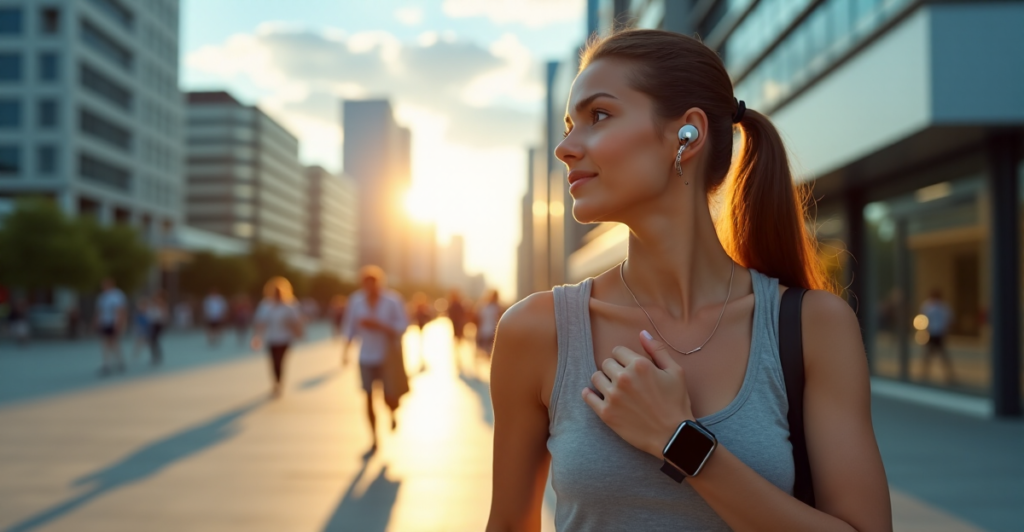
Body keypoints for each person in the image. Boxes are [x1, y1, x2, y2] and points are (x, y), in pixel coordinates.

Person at [487, 30, 891, 531]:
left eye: (599, 116)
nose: (565, 148)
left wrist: (680, 441)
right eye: (570, 124)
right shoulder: (537, 330)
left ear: (687, 134)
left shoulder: (813, 326)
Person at [341, 265, 408, 452]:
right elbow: (349, 327)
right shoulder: (356, 301)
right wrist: (345, 351)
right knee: (368, 396)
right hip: (366, 356)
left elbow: (402, 325)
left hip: (387, 356)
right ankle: (374, 437)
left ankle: (392, 413)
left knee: (390, 394)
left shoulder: (393, 300)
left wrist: (380, 325)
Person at [251, 277, 304, 398]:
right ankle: (276, 383)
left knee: (280, 361)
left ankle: (279, 382)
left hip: (285, 339)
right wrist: (256, 337)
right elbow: (260, 322)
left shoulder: (291, 305)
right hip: (271, 338)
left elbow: (297, 321)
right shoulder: (266, 305)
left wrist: (297, 331)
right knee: (274, 362)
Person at [919, 289, 955, 384]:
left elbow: (949, 319)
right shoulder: (928, 305)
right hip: (932, 332)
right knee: (928, 355)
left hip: (938, 333)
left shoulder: (942, 306)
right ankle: (924, 374)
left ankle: (948, 375)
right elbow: (923, 318)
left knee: (942, 355)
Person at [95, 278, 127, 376]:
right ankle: (106, 363)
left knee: (113, 343)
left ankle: (119, 361)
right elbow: (99, 311)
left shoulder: (117, 295)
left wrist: (119, 324)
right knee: (105, 343)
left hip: (113, 322)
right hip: (105, 322)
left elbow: (120, 311)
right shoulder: (102, 297)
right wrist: (96, 322)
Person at [411, 292, 434, 372]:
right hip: (420, 325)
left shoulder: (423, 308)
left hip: (421, 325)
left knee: (421, 340)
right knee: (421, 340)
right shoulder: (419, 308)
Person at [475, 290, 502, 359]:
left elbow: (479, 320)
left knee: (488, 354)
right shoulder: (497, 308)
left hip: (487, 332)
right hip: (491, 332)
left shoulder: (485, 307)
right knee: (490, 355)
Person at [146, 291, 168, 366]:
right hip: (152, 324)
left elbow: (164, 315)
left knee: (154, 340)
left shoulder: (162, 305)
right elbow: (149, 314)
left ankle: (157, 356)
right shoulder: (152, 305)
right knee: (152, 341)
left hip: (159, 324)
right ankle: (155, 356)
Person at [447, 289, 467, 368]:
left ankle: (457, 352)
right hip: (457, 324)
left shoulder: (454, 304)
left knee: (457, 338)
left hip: (457, 324)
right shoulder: (456, 304)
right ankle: (457, 352)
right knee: (458, 338)